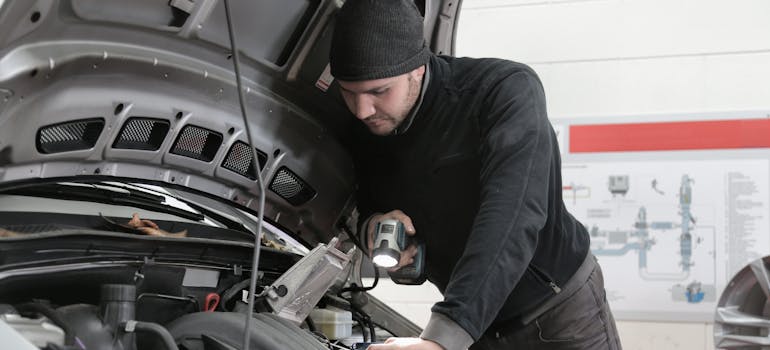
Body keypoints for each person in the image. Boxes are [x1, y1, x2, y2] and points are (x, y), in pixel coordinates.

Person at [329, 1, 622, 349]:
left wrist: (443, 337)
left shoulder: (502, 91)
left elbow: (513, 215)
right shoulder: (361, 127)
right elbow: (364, 202)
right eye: (349, 93)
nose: (363, 110)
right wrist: (372, 226)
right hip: (479, 328)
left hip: (560, 315)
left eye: (379, 92)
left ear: (418, 69)